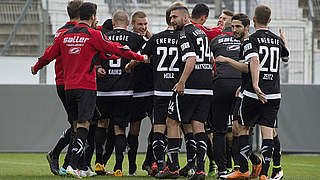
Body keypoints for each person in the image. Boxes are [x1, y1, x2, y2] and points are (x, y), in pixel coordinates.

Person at [31, 2, 147, 178]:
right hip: (86, 86)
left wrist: (36, 67)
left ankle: (80, 165)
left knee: (77, 125)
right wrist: (138, 56)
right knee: (85, 125)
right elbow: (115, 49)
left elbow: (49, 54)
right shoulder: (93, 35)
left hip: (68, 87)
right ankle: (73, 164)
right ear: (92, 16)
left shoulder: (64, 35)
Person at [218, 6, 290, 179]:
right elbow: (286, 58)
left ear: (253, 21)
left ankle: (243, 169)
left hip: (253, 93)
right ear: (269, 20)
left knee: (241, 128)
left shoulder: (250, 40)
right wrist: (284, 42)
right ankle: (265, 173)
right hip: (273, 93)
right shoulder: (276, 40)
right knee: (268, 132)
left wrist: (255, 85)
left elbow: (254, 62)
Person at [155, 5, 213, 180]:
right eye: (171, 18)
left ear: (186, 17)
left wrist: (181, 82)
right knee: (198, 125)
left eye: (175, 17)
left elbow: (191, 58)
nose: (172, 20)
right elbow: (208, 59)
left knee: (171, 121)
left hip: (190, 87)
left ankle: (172, 168)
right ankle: (200, 170)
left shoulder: (184, 34)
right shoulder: (201, 33)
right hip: (205, 87)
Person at [43, 0, 82, 176]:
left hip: (65, 81)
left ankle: (66, 161)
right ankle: (61, 158)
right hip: (69, 82)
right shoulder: (71, 33)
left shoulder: (61, 32)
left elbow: (50, 54)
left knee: (80, 123)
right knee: (79, 124)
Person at [209, 11, 243, 178]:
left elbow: (211, 64)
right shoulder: (243, 41)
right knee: (241, 129)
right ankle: (240, 167)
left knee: (219, 131)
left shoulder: (215, 41)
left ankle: (221, 168)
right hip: (240, 85)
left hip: (220, 85)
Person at [129, 10, 154, 174]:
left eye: (145, 24)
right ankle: (132, 166)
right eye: (140, 24)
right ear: (133, 24)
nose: (143, 27)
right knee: (134, 129)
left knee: (158, 126)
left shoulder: (150, 40)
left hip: (152, 90)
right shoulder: (131, 41)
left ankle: (149, 161)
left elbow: (151, 41)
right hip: (135, 92)